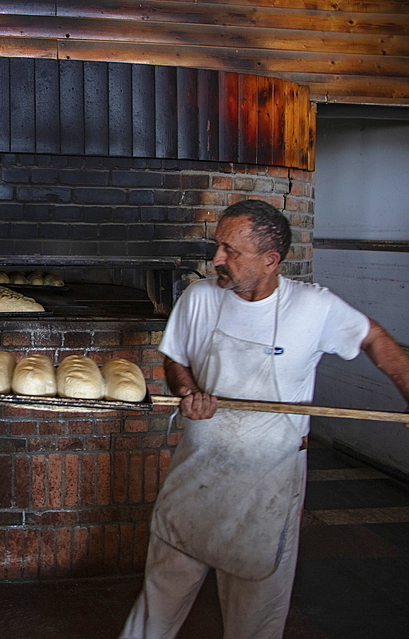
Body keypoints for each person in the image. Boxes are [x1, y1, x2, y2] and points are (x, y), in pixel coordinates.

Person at [120, 199, 409, 639]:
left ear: (271, 260)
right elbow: (176, 358)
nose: (216, 259)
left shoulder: (313, 308)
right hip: (197, 471)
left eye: (230, 251)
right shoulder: (200, 298)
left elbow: (372, 337)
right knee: (156, 608)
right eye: (217, 246)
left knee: (254, 620)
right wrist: (186, 391)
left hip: (265, 486)